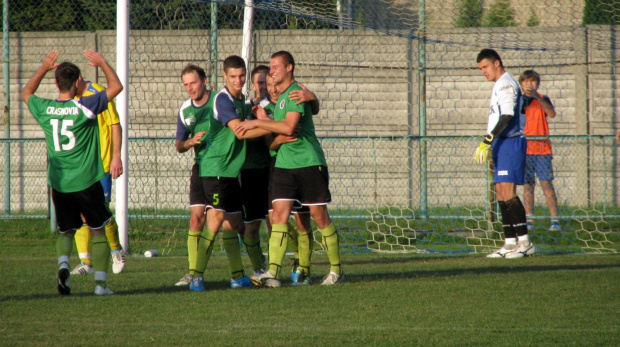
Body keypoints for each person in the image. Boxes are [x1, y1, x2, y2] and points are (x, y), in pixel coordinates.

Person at [235, 51, 344, 286]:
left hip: (307, 162)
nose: (272, 70)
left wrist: (257, 121)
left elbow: (289, 126)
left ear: (289, 68)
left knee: (318, 216)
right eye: (271, 67)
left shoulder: (296, 93)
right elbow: (273, 135)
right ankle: (272, 272)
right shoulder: (282, 97)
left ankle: (335, 269)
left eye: (275, 66)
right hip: (283, 165)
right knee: (279, 217)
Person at [21, 50, 123, 295]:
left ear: (56, 83)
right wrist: (102, 63)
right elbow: (116, 87)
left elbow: (26, 93)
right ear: (78, 83)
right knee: (97, 228)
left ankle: (64, 266)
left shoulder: (44, 108)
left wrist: (44, 67)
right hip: (86, 181)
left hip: (59, 183)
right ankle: (100, 284)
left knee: (66, 230)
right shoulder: (84, 107)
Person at [187, 55, 265, 291]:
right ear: (224, 76)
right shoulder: (223, 100)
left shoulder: (242, 100)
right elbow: (240, 132)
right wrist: (271, 127)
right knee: (217, 218)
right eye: (233, 76)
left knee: (234, 221)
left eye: (241, 75)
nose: (238, 80)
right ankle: (197, 276)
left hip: (230, 171)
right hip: (215, 169)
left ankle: (237, 276)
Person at [474, 48, 534, 259]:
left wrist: (488, 139)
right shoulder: (500, 85)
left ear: (497, 63)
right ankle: (509, 243)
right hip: (501, 143)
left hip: (510, 142)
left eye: (485, 67)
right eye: (480, 68)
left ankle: (525, 242)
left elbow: (508, 115)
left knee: (508, 192)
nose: (483, 71)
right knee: (500, 193)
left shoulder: (507, 83)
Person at [70, 77, 125, 276]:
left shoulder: (99, 93)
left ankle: (116, 251)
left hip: (101, 164)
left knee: (99, 212)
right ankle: (86, 261)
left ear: (77, 79)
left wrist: (116, 156)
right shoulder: (70, 100)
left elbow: (115, 124)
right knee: (80, 214)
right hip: (80, 167)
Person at [173, 64, 216, 287]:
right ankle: (193, 272)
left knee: (234, 224)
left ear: (204, 81)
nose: (190, 88)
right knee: (195, 218)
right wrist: (190, 141)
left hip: (221, 170)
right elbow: (179, 145)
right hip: (200, 168)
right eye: (186, 84)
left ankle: (244, 271)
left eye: (193, 83)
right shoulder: (185, 110)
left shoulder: (219, 101)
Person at [519, 70, 561, 232]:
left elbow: (552, 113)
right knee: (528, 186)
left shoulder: (543, 99)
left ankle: (555, 220)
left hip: (542, 149)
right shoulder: (519, 101)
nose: (529, 85)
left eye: (533, 82)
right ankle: (529, 219)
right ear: (521, 84)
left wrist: (536, 96)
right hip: (526, 149)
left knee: (546, 184)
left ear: (537, 84)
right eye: (526, 82)